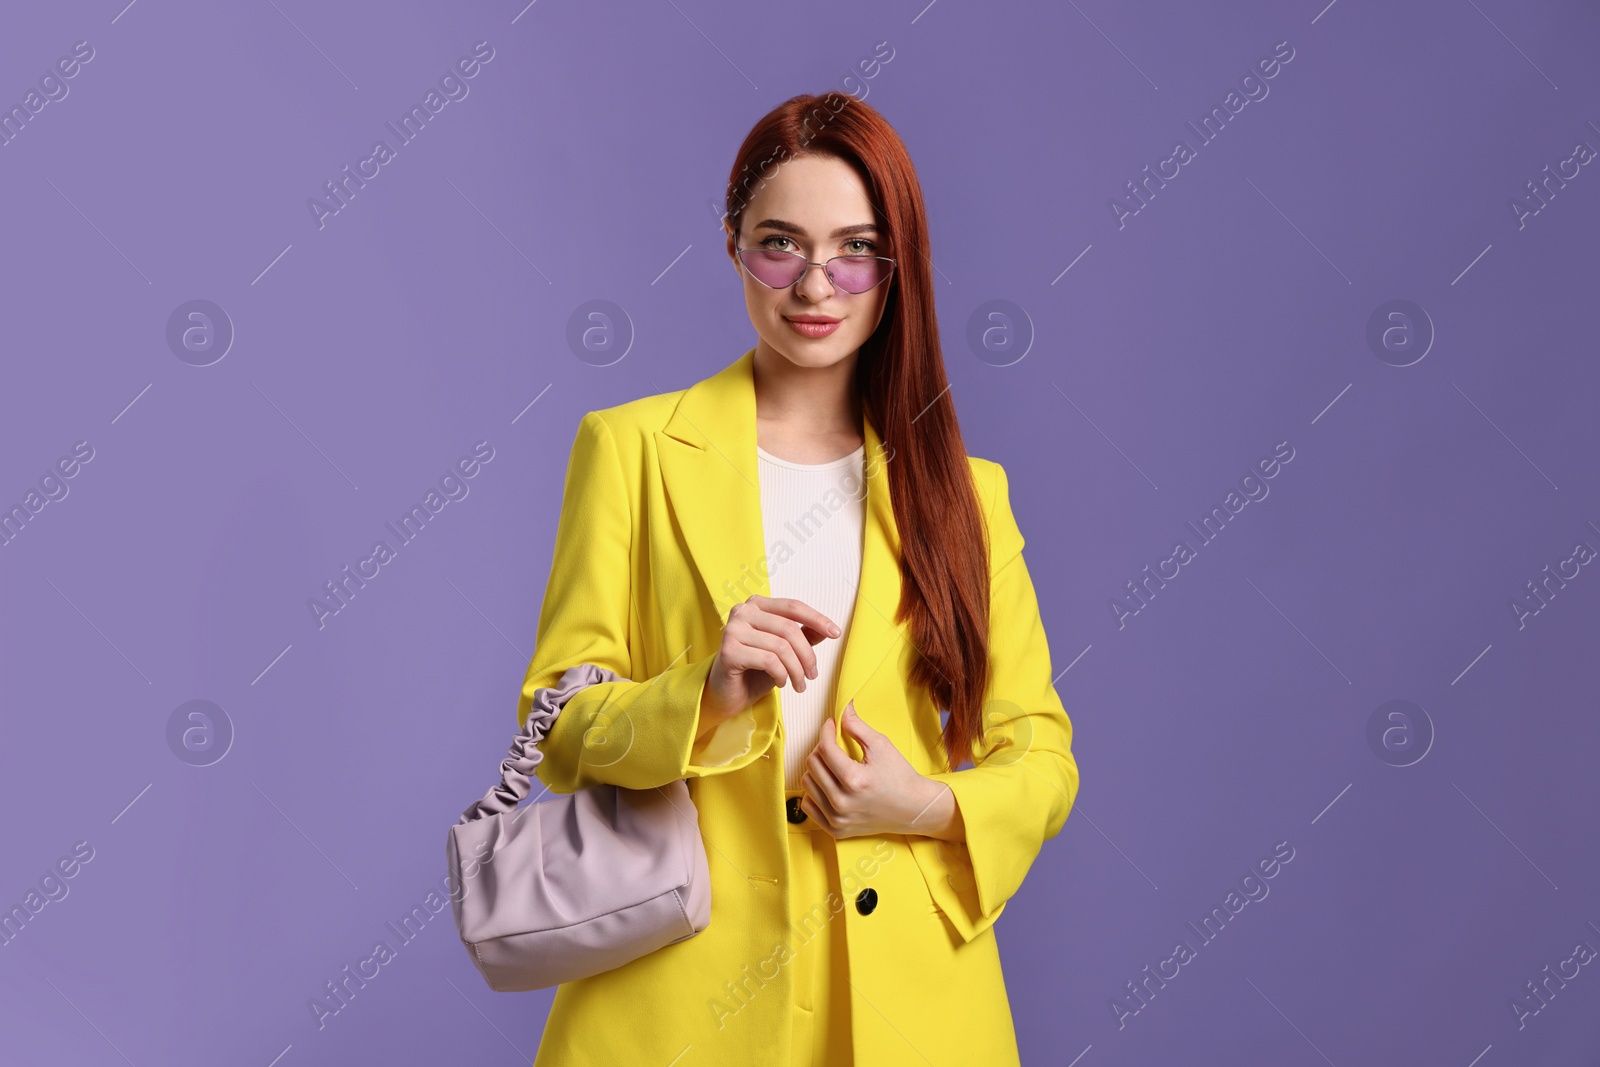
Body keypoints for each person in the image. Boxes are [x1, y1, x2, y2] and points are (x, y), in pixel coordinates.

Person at [518, 91, 1079, 1067]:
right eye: (781, 244)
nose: (816, 284)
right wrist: (700, 693)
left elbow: (1039, 753)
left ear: (895, 265)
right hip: (678, 991)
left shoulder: (967, 495)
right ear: (733, 244)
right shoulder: (631, 449)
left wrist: (923, 805)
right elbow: (557, 722)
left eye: (854, 249)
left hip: (908, 999)